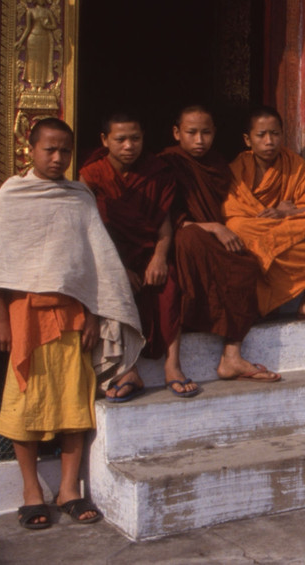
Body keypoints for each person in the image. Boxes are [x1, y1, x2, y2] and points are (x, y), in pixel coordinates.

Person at [0, 118, 143, 530]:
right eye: (49, 149)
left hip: (73, 318)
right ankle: (31, 491)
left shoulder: (79, 196)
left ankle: (68, 490)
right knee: (24, 407)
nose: (58, 158)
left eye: (65, 150)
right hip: (24, 317)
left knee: (74, 407)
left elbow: (94, 264)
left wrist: (95, 314)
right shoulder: (14, 193)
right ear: (30, 149)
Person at [80, 113, 198, 400]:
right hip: (109, 258)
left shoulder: (156, 172)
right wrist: (119, 268)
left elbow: (164, 222)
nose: (129, 146)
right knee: (113, 289)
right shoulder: (92, 175)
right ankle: (127, 369)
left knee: (170, 282)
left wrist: (159, 257)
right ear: (105, 140)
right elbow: (88, 229)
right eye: (120, 140)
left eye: (135, 139)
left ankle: (173, 365)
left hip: (147, 252)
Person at [159, 105, 279, 382]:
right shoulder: (166, 164)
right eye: (191, 133)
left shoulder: (217, 166)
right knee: (190, 240)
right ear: (177, 133)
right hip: (182, 236)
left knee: (246, 266)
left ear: (215, 134)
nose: (199, 140)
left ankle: (231, 356)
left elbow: (239, 204)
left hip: (212, 238)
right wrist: (213, 227)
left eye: (206, 133)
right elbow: (164, 217)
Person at [223, 106, 305, 321]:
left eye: (275, 134)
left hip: (284, 226)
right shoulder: (237, 168)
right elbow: (230, 210)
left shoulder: (293, 164)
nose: (269, 141)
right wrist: (265, 216)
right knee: (237, 228)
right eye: (261, 135)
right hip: (256, 228)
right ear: (247, 139)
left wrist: (284, 214)